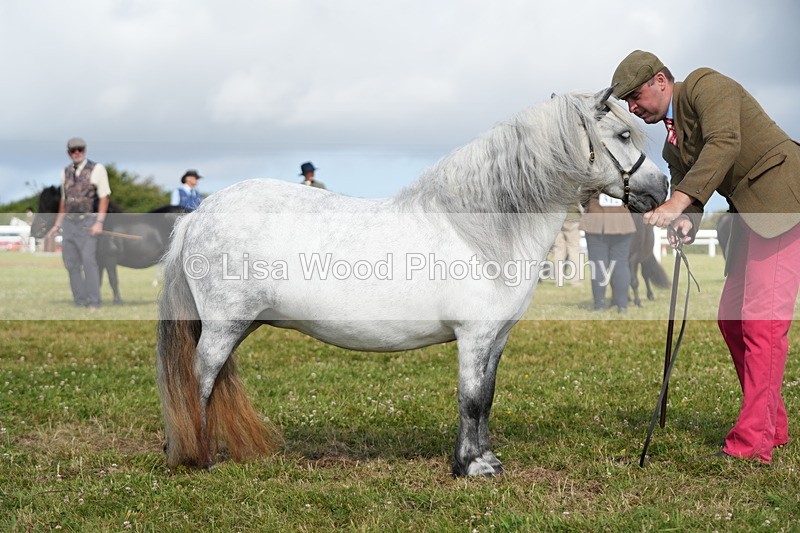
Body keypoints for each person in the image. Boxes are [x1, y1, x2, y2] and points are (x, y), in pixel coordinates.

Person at [611, 50, 800, 463]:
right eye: (626, 101)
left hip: (781, 201)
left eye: (634, 95)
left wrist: (677, 203)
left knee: (761, 322)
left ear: (661, 81)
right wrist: (685, 222)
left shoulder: (704, 84)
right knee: (732, 319)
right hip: (748, 216)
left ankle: (751, 444)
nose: (632, 107)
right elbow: (692, 196)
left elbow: (724, 142)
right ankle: (772, 426)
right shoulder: (672, 147)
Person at [46, 137, 111, 311]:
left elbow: (104, 197)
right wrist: (57, 224)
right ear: (68, 153)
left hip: (88, 221)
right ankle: (80, 300)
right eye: (73, 150)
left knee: (88, 261)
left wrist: (99, 222)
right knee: (70, 263)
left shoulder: (97, 169)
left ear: (85, 150)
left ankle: (94, 301)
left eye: (80, 149)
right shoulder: (65, 172)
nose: (77, 153)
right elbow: (64, 200)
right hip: (68, 223)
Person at [580, 193, 635, 312]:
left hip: (596, 218)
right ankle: (622, 305)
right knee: (621, 264)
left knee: (598, 265)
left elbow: (584, 195)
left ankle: (599, 305)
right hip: (622, 218)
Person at [551, 203, 583, 286]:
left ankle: (559, 281)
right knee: (574, 251)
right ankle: (576, 281)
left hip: (557, 219)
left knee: (558, 251)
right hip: (573, 219)